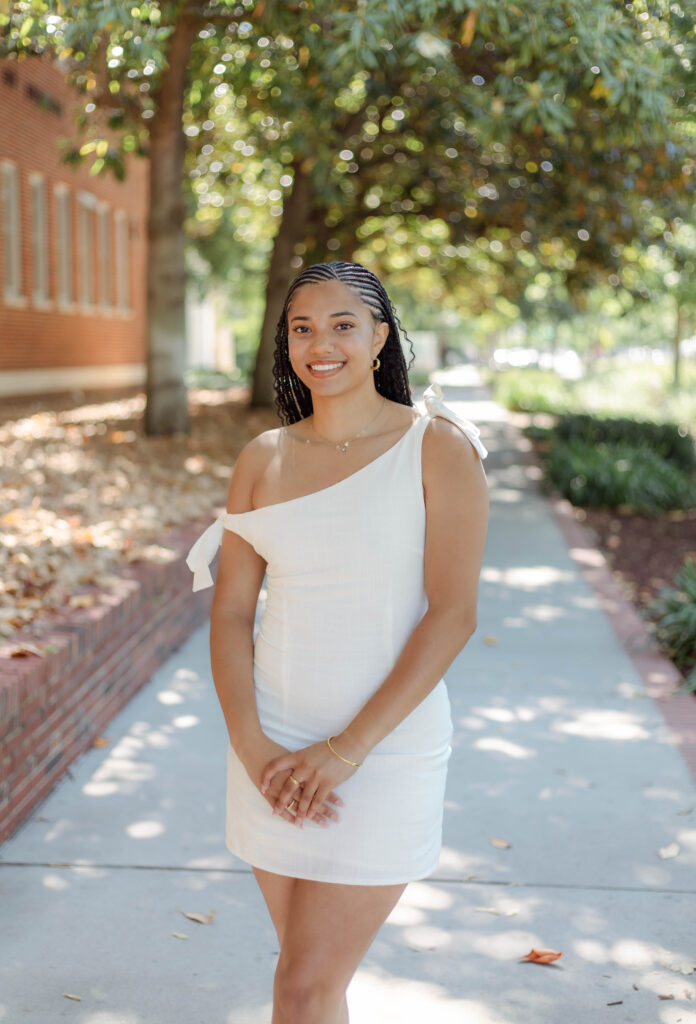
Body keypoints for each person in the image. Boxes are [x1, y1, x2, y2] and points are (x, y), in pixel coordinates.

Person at [185, 260, 489, 1024]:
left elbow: (453, 614)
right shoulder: (262, 458)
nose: (320, 343)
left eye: (343, 324)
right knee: (310, 980)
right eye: (302, 327)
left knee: (302, 986)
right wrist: (251, 745)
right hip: (275, 751)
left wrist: (346, 749)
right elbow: (229, 615)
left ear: (382, 335)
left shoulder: (437, 448)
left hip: (384, 750)